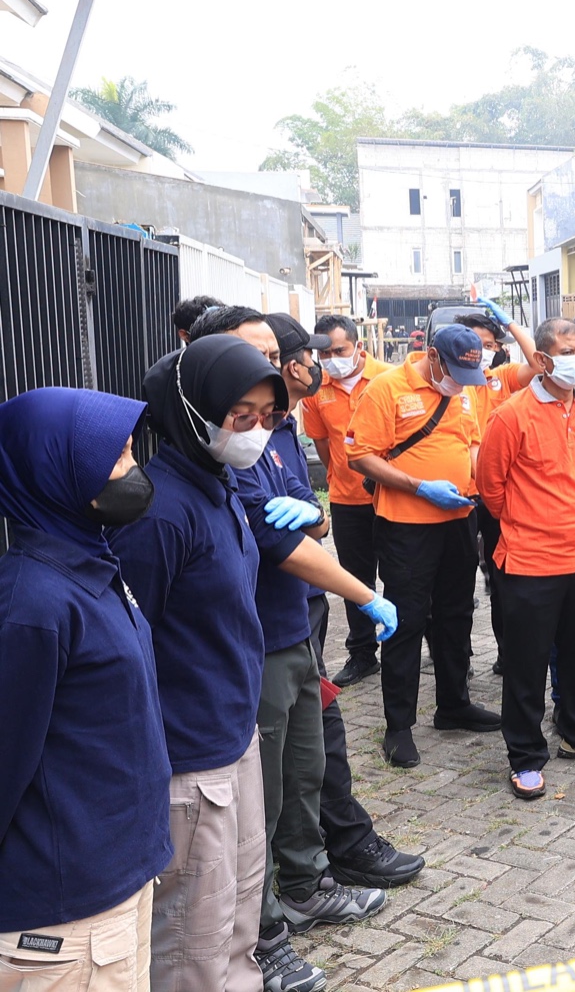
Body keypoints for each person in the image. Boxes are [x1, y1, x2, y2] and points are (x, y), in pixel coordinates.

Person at [107, 336, 284, 990]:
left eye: (269, 417)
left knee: (238, 914)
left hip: (234, 736)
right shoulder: (159, 512)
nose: (256, 431)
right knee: (190, 938)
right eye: (242, 414)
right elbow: (130, 644)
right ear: (193, 409)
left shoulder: (221, 484)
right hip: (187, 758)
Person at [233, 314, 402, 975]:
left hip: (300, 627)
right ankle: (263, 925)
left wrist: (315, 514)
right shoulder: (235, 440)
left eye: (281, 355)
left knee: (306, 772)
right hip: (263, 637)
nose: (284, 366)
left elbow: (312, 514)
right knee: (264, 793)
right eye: (263, 355)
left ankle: (305, 887)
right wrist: (364, 593)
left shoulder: (279, 432)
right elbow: (279, 545)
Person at [0, 389, 169, 992]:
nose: (133, 472)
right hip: (64, 915)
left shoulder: (91, 562)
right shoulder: (31, 605)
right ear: (58, 473)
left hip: (116, 881)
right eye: (118, 457)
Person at [478, 317, 575, 800]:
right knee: (526, 664)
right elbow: (490, 488)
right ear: (542, 360)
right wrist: (531, 522)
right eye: (569, 352)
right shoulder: (511, 415)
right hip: (529, 563)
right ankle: (525, 756)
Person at [347, 323, 500, 769]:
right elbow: (360, 455)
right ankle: (398, 726)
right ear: (432, 356)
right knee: (407, 621)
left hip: (458, 518)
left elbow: (470, 442)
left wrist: (478, 483)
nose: (459, 382)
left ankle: (453, 704)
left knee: (457, 614)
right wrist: (419, 486)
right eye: (452, 370)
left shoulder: (465, 389)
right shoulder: (387, 388)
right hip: (405, 525)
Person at [302, 314, 394, 687]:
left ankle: (426, 643)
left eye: (339, 350)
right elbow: (323, 447)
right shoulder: (316, 389)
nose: (331, 360)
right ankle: (362, 653)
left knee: (403, 574)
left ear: (359, 346)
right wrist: (342, 475)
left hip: (392, 498)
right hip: (345, 499)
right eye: (324, 354)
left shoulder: (389, 379)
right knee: (354, 577)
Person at [453, 297, 542, 676]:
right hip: (455, 498)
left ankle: (509, 653)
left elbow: (538, 363)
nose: (482, 351)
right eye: (474, 343)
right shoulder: (447, 384)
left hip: (494, 498)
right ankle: (458, 657)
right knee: (456, 585)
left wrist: (511, 326)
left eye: (489, 345)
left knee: (502, 580)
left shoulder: (498, 381)